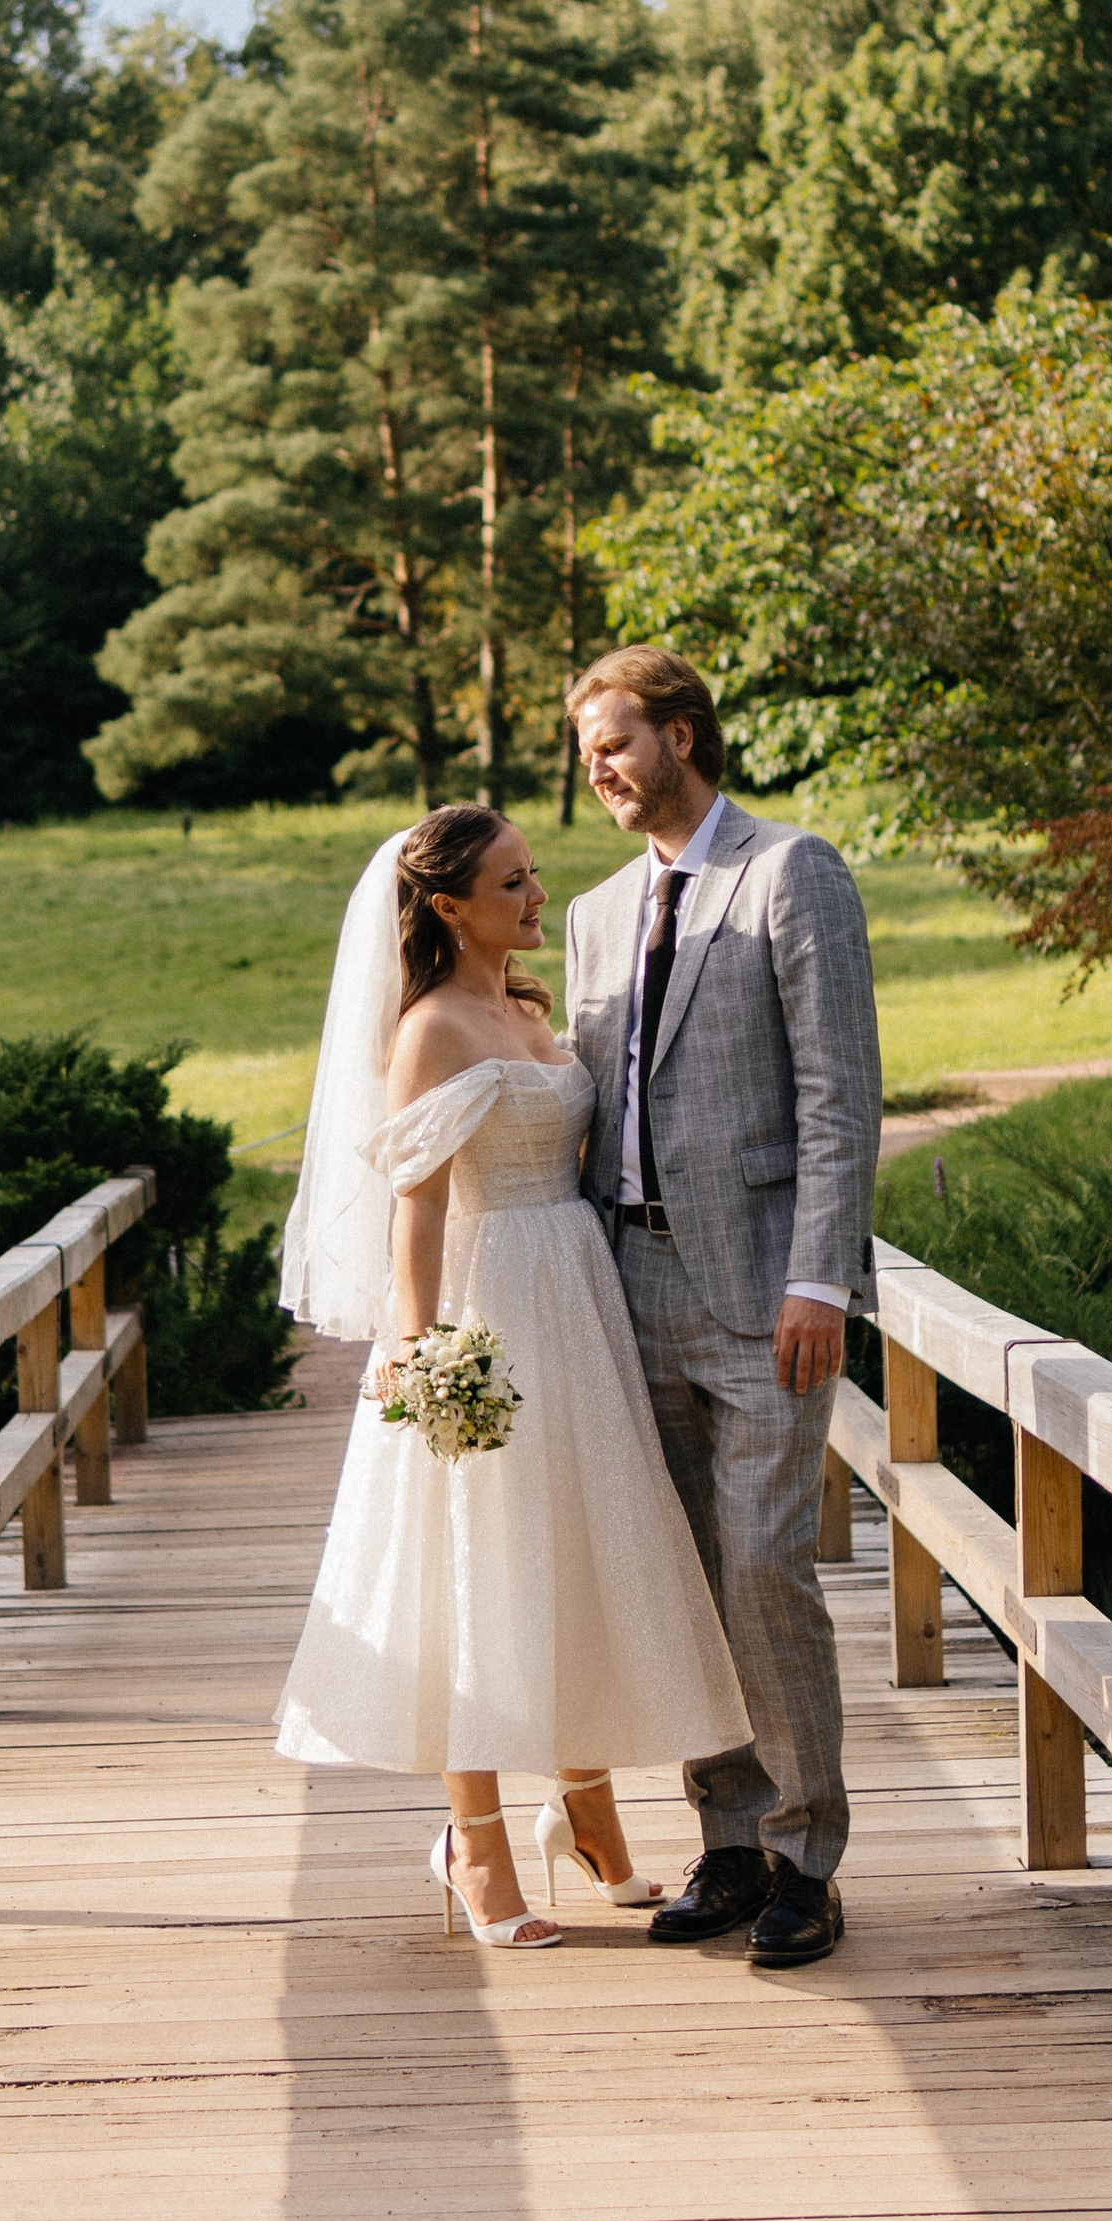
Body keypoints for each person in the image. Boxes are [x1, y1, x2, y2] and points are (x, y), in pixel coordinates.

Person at [273, 803, 749, 1948]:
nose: (538, 895)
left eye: (532, 872)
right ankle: (474, 1843)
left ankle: (587, 1812)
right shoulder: (432, 1027)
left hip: (577, 1297)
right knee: (476, 1565)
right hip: (489, 1302)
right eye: (509, 883)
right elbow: (418, 1202)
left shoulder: (529, 1010)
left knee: (574, 1547)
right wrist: (419, 1344)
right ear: (447, 906)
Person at [562, 646, 881, 1970]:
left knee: (762, 1565)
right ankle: (730, 1838)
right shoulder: (593, 915)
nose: (598, 769)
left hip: (763, 1287)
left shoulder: (791, 871)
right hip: (625, 1284)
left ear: (683, 734)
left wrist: (821, 1277)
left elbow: (839, 1095)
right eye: (587, 751)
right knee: (687, 1577)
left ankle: (807, 1857)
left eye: (615, 743)